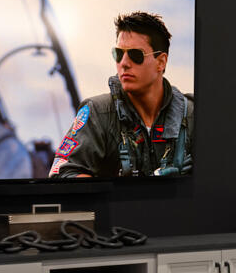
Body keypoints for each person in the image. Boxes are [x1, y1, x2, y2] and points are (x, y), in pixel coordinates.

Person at [47, 11, 193, 177]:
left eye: (135, 55)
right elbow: (63, 173)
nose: (123, 63)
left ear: (161, 62)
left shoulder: (192, 114)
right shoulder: (97, 113)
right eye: (118, 54)